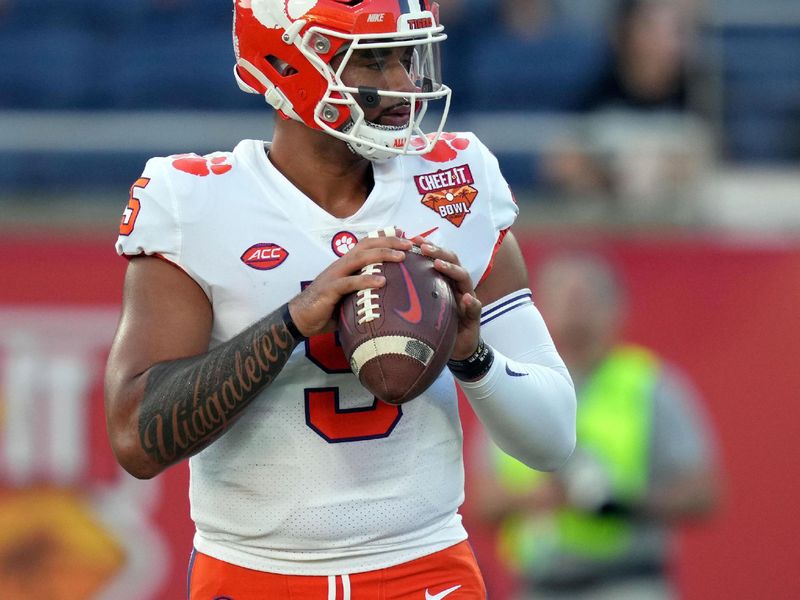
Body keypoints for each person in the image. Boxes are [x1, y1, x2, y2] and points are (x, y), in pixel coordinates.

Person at [103, 1, 577, 599]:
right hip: (254, 575)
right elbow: (136, 440)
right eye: (374, 63)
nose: (404, 85)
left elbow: (554, 438)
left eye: (407, 58)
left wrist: (473, 357)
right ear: (289, 64)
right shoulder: (193, 201)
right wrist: (291, 325)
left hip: (426, 569)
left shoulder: (457, 180)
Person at [470, 251, 720, 600]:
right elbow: (483, 502)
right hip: (541, 584)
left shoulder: (650, 385)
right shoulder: (516, 385)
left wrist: (620, 504)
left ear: (616, 308)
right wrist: (541, 497)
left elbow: (702, 494)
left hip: (628, 581)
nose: (577, 314)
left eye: (587, 300)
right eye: (566, 300)